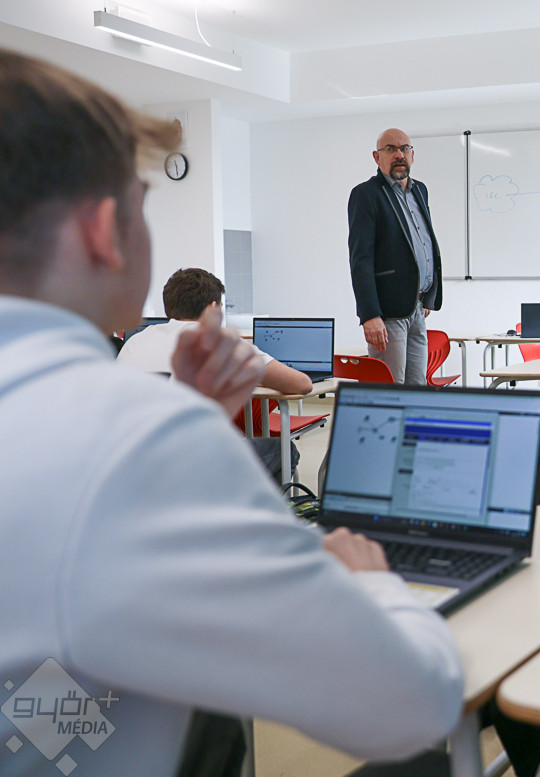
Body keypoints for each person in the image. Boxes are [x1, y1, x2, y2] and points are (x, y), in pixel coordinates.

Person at [0, 50, 462, 776]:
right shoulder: (135, 439)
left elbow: (35, 683)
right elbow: (413, 700)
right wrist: (370, 579)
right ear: (103, 231)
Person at [119, 267, 312, 395]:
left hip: (133, 443)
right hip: (194, 444)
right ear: (213, 308)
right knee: (280, 445)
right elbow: (302, 384)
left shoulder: (135, 341)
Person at [347, 128, 443, 384]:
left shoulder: (420, 190)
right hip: (387, 313)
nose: (399, 154)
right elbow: (360, 260)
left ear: (412, 154)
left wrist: (427, 295)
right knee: (390, 389)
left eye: (404, 148)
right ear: (377, 157)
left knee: (417, 386)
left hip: (417, 308)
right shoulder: (366, 194)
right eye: (390, 149)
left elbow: (423, 242)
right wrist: (369, 315)